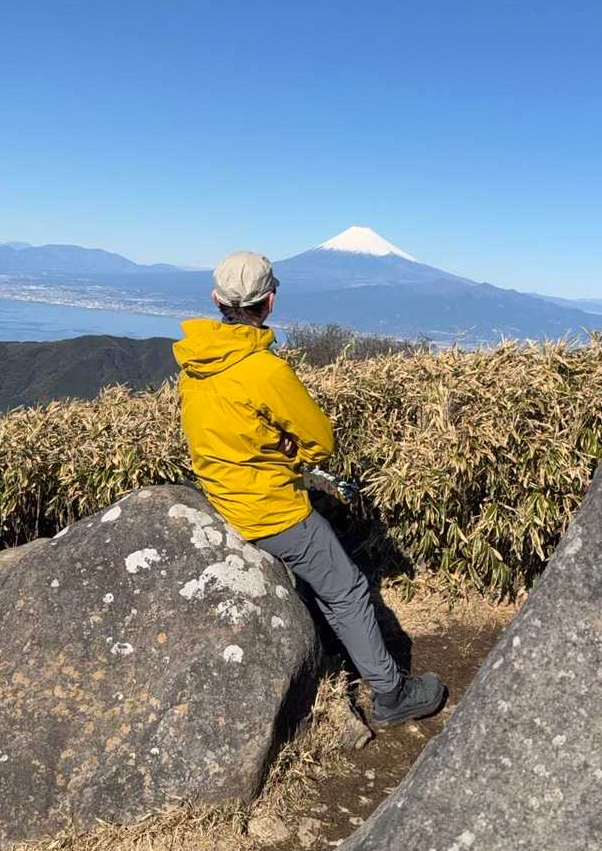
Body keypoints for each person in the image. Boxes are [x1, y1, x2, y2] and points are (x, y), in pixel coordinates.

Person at [174, 250, 446, 728]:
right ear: (270, 302)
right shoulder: (264, 370)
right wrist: (291, 449)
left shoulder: (194, 361)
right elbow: (321, 442)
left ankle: (337, 650)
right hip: (270, 509)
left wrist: (272, 443)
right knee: (349, 590)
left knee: (326, 582)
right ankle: (391, 695)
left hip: (223, 497)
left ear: (216, 300)